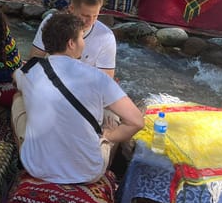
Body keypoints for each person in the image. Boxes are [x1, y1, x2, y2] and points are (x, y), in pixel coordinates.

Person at [13, 12, 144, 184]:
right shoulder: (97, 76)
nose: (84, 42)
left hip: (36, 166)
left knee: (18, 98)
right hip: (88, 173)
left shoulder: (28, 71)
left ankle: (20, 155)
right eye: (82, 37)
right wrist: (109, 135)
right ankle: (109, 165)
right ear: (71, 43)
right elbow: (137, 122)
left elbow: (15, 78)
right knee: (112, 118)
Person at [27, 0, 116, 79]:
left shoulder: (106, 36)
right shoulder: (52, 23)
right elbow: (35, 58)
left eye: (95, 16)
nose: (90, 22)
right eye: (85, 15)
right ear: (71, 9)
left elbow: (106, 79)